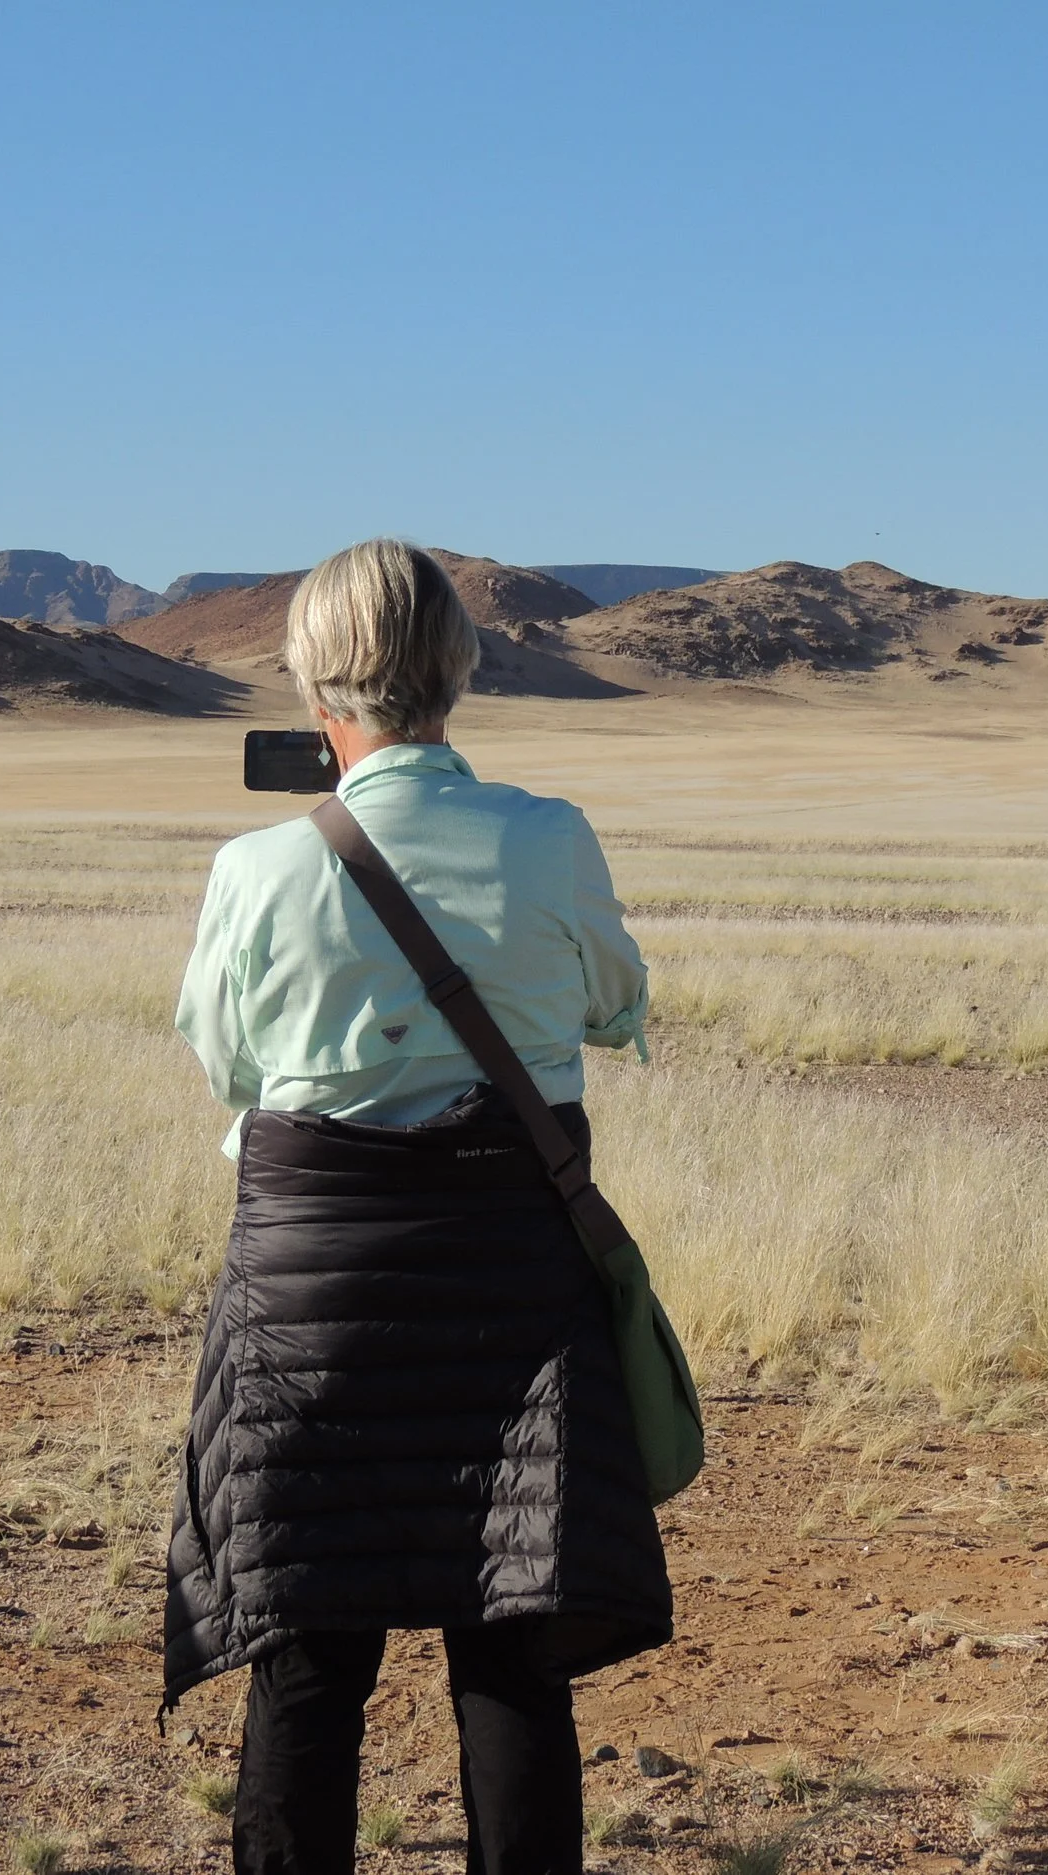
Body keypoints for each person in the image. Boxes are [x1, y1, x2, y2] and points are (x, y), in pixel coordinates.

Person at [166, 539, 672, 1875]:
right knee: (513, 1645)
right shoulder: (550, 837)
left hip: (310, 1306)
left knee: (309, 1660)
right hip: (511, 1294)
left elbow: (225, 1062)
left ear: (308, 680)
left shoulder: (256, 868)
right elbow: (618, 1005)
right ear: (460, 665)